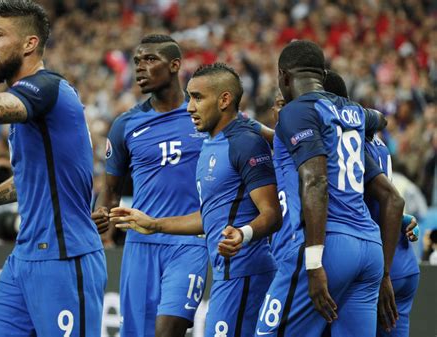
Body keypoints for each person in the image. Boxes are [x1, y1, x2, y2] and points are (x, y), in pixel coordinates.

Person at [0, 1, 107, 336]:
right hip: (24, 259)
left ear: (29, 44)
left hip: (66, 257)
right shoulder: (30, 106)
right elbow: (28, 179)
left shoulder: (46, 88)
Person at [112, 63, 281, 336]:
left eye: (198, 98)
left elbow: (272, 213)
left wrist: (243, 233)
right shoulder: (210, 144)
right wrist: (154, 224)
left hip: (247, 273)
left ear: (225, 99)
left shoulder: (245, 142)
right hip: (227, 275)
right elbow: (210, 217)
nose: (190, 107)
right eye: (190, 97)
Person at [254, 40, 385, 337]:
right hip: (368, 246)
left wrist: (313, 262)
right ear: (322, 75)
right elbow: (381, 119)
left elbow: (316, 180)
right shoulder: (353, 111)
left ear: (283, 76)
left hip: (328, 243)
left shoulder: (297, 110)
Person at [92, 34, 209, 337]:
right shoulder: (125, 125)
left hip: (189, 240)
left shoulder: (205, 116)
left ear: (175, 65)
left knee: (168, 330)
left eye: (150, 60)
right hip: (140, 245)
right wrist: (100, 219)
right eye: (136, 62)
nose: (140, 68)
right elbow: (111, 191)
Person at [324, 70, 420, 337]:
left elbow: (389, 199)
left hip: (377, 265)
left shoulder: (346, 142)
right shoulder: (375, 141)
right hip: (403, 262)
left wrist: (383, 275)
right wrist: (403, 221)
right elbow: (377, 201)